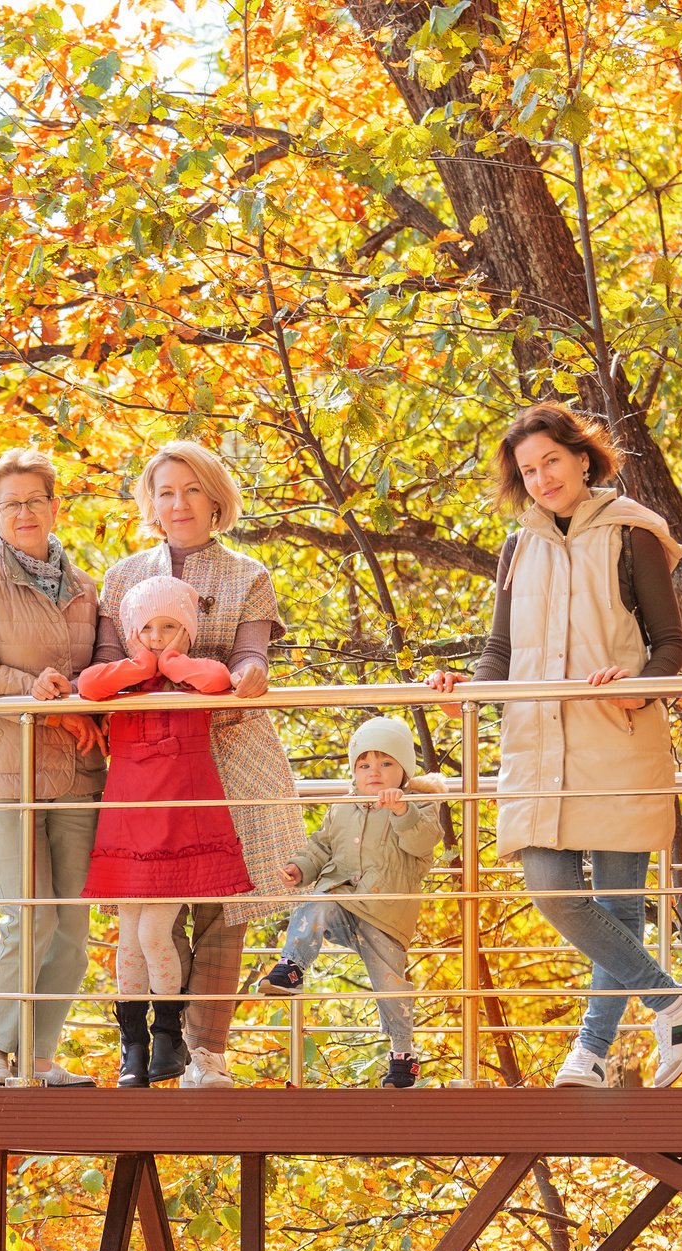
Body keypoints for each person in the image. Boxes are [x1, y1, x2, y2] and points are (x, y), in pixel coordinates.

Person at [426, 403, 682, 1088]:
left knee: (618, 905)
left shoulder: (631, 534)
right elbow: (501, 651)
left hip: (616, 735)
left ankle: (590, 1052)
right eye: (528, 470)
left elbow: (671, 645)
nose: (542, 477)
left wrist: (640, 688)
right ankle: (672, 999)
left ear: (583, 457)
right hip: (537, 744)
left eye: (551, 460)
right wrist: (466, 684)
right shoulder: (517, 546)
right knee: (552, 890)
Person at [92, 441, 309, 1089]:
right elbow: (102, 665)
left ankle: (207, 1055)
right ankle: (167, 1047)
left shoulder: (248, 574)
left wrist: (247, 674)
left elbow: (251, 655)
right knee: (158, 905)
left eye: (192, 490)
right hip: (152, 767)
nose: (178, 503)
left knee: (222, 904)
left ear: (216, 500)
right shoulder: (123, 576)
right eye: (165, 491)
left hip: (234, 753)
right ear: (150, 504)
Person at [0, 447, 107, 1088]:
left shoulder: (84, 584)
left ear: (55, 506)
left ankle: (39, 1055)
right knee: (26, 910)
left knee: (72, 922)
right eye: (11, 503)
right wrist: (41, 697)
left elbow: (94, 672)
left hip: (76, 770)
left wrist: (83, 706)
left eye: (35, 500)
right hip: (5, 766)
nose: (25, 513)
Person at [76, 576, 255, 1087]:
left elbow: (219, 679)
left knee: (155, 931)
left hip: (180, 822)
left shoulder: (191, 677)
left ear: (188, 631)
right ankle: (134, 1048)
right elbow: (87, 686)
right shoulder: (123, 679)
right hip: (130, 820)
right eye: (147, 629)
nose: (157, 638)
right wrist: (137, 665)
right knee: (128, 940)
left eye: (170, 628)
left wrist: (172, 664)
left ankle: (168, 1034)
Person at [256, 716, 442, 1087]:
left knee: (389, 982)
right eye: (364, 764)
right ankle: (292, 966)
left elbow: (424, 844)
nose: (375, 772)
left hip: (385, 914)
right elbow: (321, 847)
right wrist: (301, 866)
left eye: (386, 763)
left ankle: (403, 1056)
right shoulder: (342, 807)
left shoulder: (419, 805)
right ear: (354, 771)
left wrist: (402, 811)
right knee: (315, 902)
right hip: (341, 900)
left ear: (403, 769)